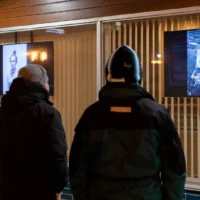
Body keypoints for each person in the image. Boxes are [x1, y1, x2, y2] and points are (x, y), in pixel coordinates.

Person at [69, 45, 186, 200]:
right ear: (139, 76)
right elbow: (174, 167)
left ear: (108, 75)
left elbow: (78, 166)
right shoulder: (157, 114)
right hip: (147, 195)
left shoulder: (92, 114)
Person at [0, 64, 68, 200]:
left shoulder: (3, 111)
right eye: (47, 81)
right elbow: (57, 154)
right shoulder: (48, 113)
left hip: (6, 187)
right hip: (39, 188)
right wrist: (58, 186)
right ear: (41, 84)